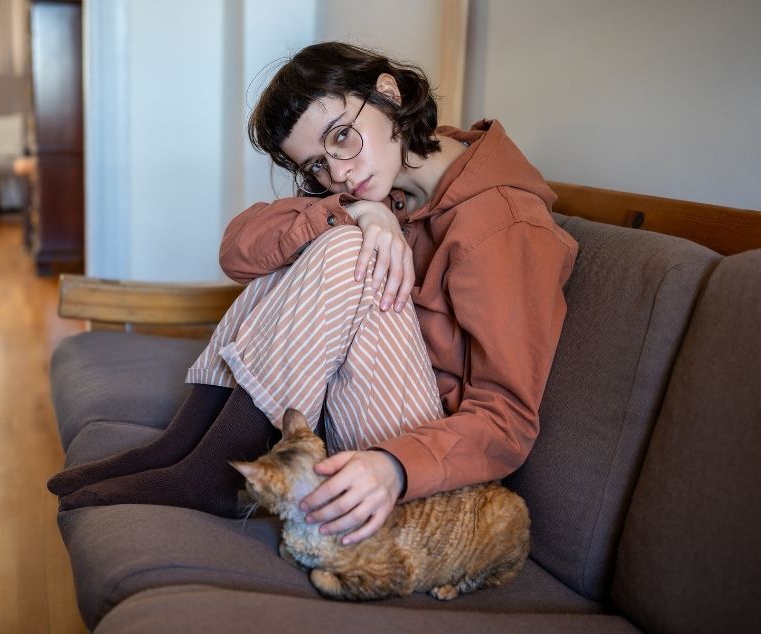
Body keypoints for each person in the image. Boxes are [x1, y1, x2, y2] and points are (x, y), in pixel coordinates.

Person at [48, 41, 577, 546]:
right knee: (331, 233)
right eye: (316, 167)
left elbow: (507, 418)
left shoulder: (504, 224)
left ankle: (210, 473)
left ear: (388, 94)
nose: (339, 171)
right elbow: (238, 252)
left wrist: (394, 467)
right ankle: (182, 449)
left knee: (345, 246)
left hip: (416, 467)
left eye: (342, 136)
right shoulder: (384, 184)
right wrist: (357, 211)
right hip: (349, 410)